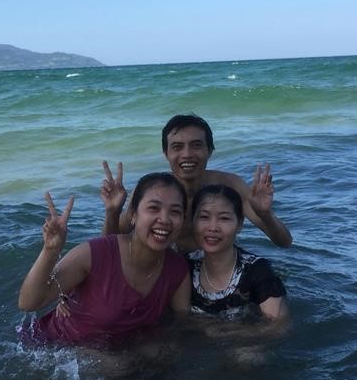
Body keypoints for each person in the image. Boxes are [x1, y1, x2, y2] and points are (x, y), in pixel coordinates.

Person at [18, 172, 192, 347]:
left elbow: (180, 324)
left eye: (175, 212)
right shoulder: (92, 253)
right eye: (154, 208)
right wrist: (50, 250)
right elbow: (29, 302)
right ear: (133, 214)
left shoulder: (177, 270)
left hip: (115, 353)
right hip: (53, 348)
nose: (165, 219)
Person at [101, 114, 292, 252]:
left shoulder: (230, 186)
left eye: (196, 145)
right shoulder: (153, 191)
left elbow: (283, 242)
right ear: (166, 154)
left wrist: (266, 214)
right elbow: (108, 246)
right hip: (170, 267)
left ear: (210, 150)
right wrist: (112, 212)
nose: (187, 154)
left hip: (216, 267)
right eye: (177, 147)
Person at [186, 184, 288, 322]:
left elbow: (278, 326)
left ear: (239, 224)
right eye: (204, 217)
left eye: (224, 218)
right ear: (192, 221)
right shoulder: (185, 266)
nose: (213, 227)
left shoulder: (258, 270)